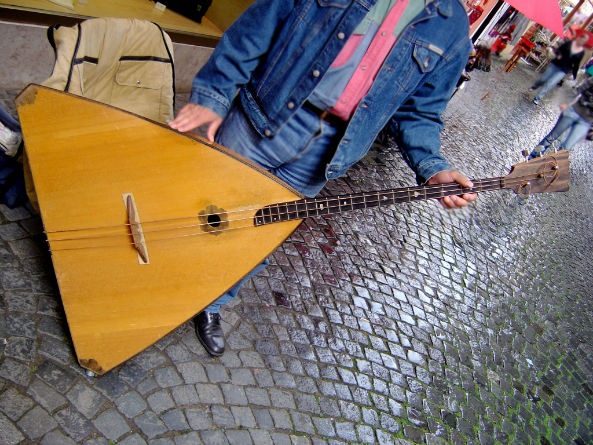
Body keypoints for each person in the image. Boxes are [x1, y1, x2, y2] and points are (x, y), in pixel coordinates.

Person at [169, 0, 478, 356]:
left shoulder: (451, 27)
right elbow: (260, 25)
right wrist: (214, 95)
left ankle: (210, 304)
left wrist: (433, 168)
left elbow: (421, 113)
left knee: (259, 237)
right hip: (262, 113)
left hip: (329, 151)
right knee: (201, 205)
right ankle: (152, 283)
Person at [528, 74, 593, 159]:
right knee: (551, 138)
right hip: (573, 111)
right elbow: (578, 89)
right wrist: (566, 102)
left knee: (566, 149)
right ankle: (531, 159)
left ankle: (550, 167)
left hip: (586, 122)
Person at [529, 32, 589, 105]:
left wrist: (574, 74)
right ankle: (535, 86)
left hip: (564, 69)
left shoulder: (581, 52)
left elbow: (577, 63)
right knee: (544, 79)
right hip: (556, 64)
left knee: (551, 83)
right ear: (579, 38)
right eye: (581, 40)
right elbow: (559, 49)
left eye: (583, 41)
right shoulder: (570, 43)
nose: (581, 42)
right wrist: (559, 54)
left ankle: (538, 98)